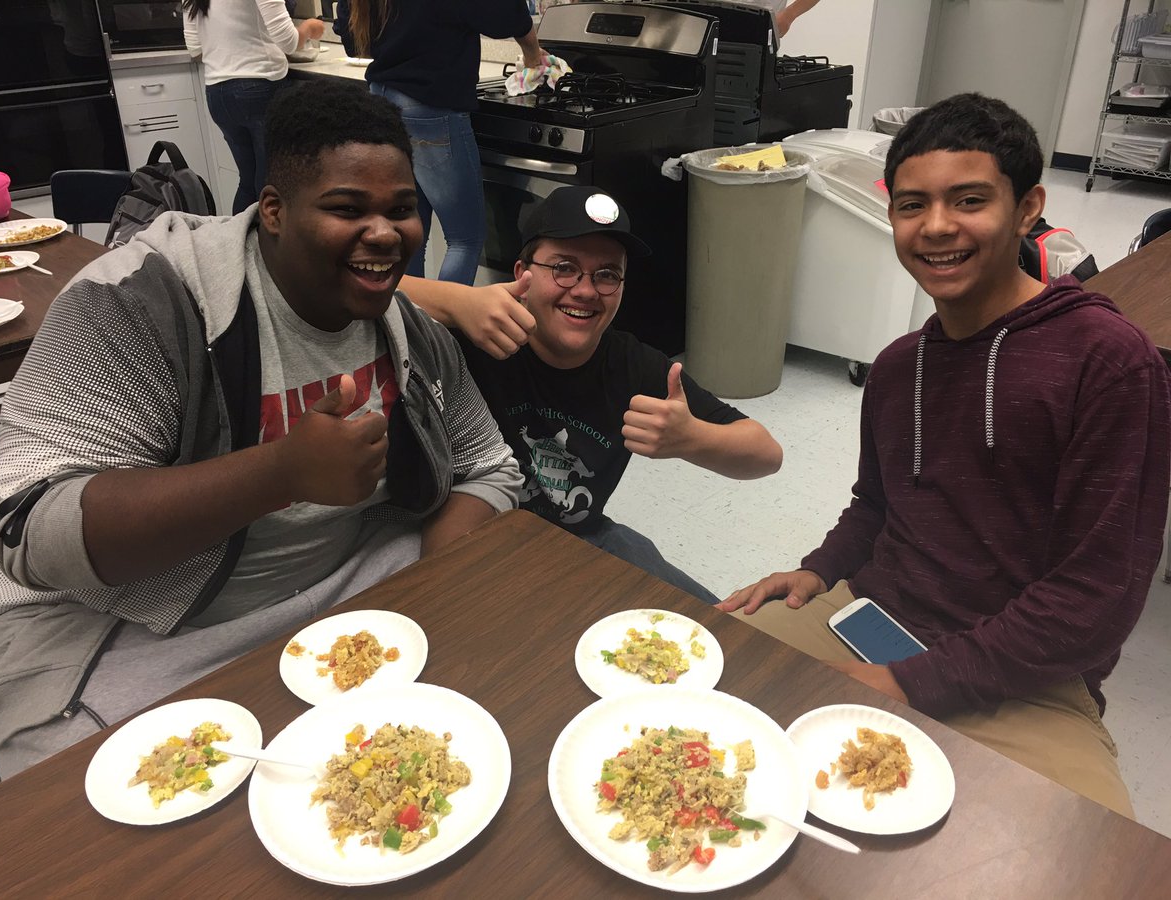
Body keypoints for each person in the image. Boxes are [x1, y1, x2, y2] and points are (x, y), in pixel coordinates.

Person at [0, 79, 521, 780]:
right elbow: (35, 537)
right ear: (273, 212)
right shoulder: (139, 304)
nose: (385, 233)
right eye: (347, 208)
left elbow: (489, 465)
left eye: (403, 210)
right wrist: (279, 473)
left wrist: (424, 603)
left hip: (345, 590)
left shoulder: (404, 325)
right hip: (131, 625)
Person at [718, 93, 1171, 816]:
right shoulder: (900, 366)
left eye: (968, 200)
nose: (935, 228)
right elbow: (877, 505)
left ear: (1028, 208)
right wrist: (817, 570)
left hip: (1031, 679)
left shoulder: (1109, 362)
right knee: (705, 707)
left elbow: (1097, 597)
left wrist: (910, 685)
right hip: (872, 617)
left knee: (1090, 864)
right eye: (911, 205)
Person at [406, 186, 783, 604]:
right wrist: (457, 299)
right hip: (477, 545)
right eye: (564, 268)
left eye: (607, 274)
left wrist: (692, 437)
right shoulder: (476, 336)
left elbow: (766, 454)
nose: (585, 290)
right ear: (522, 274)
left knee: (712, 628)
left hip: (581, 542)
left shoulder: (633, 366)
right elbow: (344, 286)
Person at [334, 1, 546, 285]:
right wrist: (532, 52)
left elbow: (354, 43)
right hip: (430, 106)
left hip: (383, 101)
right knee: (465, 239)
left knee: (409, 231)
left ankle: (408, 325)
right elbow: (505, 14)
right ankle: (445, 328)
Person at [184, 0, 325, 213]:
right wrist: (309, 28)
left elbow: (194, 47)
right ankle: (266, 245)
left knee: (248, 181)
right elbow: (289, 41)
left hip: (218, 93)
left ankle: (239, 243)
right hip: (259, 86)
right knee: (270, 182)